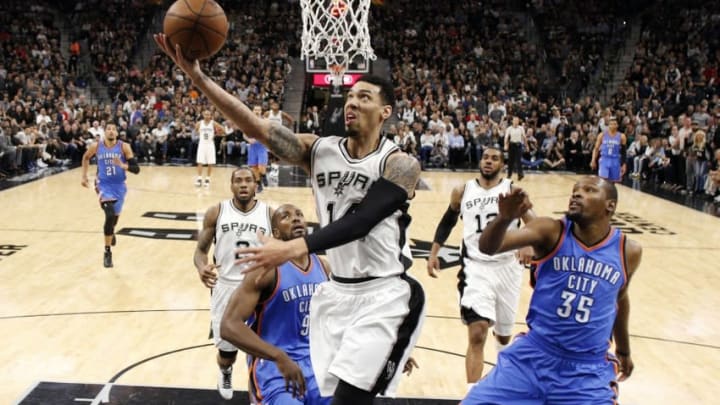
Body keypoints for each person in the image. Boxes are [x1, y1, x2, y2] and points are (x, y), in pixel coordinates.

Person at [154, 34, 424, 405]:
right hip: (339, 293)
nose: (352, 103)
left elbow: (363, 220)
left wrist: (290, 248)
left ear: (385, 112)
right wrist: (199, 79)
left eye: (364, 97)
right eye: (349, 97)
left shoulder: (400, 164)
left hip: (383, 292)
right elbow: (254, 128)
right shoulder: (318, 150)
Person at [463, 176, 642, 404]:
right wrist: (504, 218)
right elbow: (488, 246)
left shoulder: (629, 251)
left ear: (610, 205)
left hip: (586, 371)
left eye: (589, 190)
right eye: (575, 190)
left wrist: (624, 350)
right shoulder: (550, 230)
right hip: (533, 357)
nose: (577, 194)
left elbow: (619, 299)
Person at [427, 147, 535, 388]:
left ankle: (504, 379)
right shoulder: (463, 190)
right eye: (486, 157)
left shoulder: (512, 190)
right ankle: (472, 395)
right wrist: (434, 252)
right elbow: (448, 220)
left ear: (502, 165)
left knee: (504, 337)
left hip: (508, 267)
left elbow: (535, 223)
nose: (489, 161)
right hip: (475, 268)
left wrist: (528, 242)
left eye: (494, 158)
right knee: (477, 332)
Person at [219, 203, 331, 404]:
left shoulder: (324, 267)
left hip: (316, 365)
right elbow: (229, 326)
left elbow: (342, 317)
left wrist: (386, 349)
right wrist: (279, 356)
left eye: (299, 214)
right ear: (276, 234)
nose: (296, 218)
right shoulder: (266, 270)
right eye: (286, 216)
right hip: (274, 368)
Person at [193, 167, 273, 400]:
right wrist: (201, 267)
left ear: (256, 184)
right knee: (227, 351)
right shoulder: (216, 212)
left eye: (248, 180)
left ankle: (260, 393)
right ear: (231, 186)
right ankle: (225, 370)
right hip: (226, 286)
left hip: (260, 287)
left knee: (263, 348)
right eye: (238, 181)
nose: (243, 184)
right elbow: (200, 251)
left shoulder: (269, 214)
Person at [80, 123, 140, 268]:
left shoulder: (124, 147)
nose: (111, 131)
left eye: (114, 129)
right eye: (108, 129)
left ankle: (111, 232)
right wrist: (84, 176)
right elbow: (86, 157)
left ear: (117, 133)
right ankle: (107, 252)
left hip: (119, 187)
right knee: (109, 214)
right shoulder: (96, 146)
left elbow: (136, 169)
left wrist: (124, 166)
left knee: (113, 220)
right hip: (103, 185)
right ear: (104, 132)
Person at [194, 109, 225, 187]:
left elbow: (223, 130)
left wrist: (216, 134)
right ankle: (199, 178)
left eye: (208, 114)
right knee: (200, 161)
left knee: (210, 162)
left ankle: (208, 178)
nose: (207, 116)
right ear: (203, 115)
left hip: (210, 144)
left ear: (211, 116)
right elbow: (196, 131)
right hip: (202, 144)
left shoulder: (213, 123)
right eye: (205, 114)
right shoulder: (199, 123)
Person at [591, 117, 627, 183]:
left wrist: (623, 164)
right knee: (603, 180)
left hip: (615, 160)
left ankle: (610, 193)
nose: (613, 125)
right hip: (604, 159)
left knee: (612, 182)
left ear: (617, 125)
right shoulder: (602, 135)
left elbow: (624, 152)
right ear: (608, 125)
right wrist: (593, 160)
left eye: (614, 124)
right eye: (611, 124)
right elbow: (596, 149)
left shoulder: (622, 136)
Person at [247, 105, 271, 192]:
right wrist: (248, 139)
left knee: (261, 167)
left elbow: (269, 133)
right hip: (253, 147)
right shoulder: (248, 121)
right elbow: (244, 134)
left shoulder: (264, 121)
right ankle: (259, 183)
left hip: (262, 146)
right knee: (254, 168)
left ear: (261, 111)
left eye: (258, 110)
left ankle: (264, 175)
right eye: (255, 110)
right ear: (252, 111)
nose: (257, 111)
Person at [504, 116, 526, 181]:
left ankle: (520, 174)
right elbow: (506, 137)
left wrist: (526, 145)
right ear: (512, 121)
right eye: (515, 120)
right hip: (511, 145)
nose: (516, 122)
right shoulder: (509, 129)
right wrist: (505, 145)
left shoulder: (521, 128)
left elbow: (524, 137)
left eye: (517, 121)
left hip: (519, 145)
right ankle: (509, 174)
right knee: (510, 161)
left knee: (519, 160)